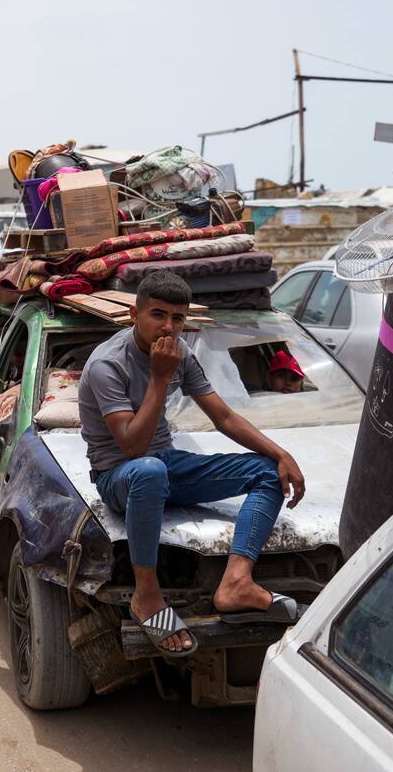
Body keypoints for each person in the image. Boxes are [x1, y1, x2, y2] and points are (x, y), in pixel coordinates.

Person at [78, 271, 306, 656]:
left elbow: (225, 417)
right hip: (120, 475)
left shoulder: (180, 354)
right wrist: (160, 378)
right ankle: (146, 595)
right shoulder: (107, 365)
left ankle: (236, 581)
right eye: (158, 314)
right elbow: (133, 448)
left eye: (178, 319)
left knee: (268, 471)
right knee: (149, 470)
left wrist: (281, 453)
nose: (169, 327)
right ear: (134, 314)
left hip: (165, 465)